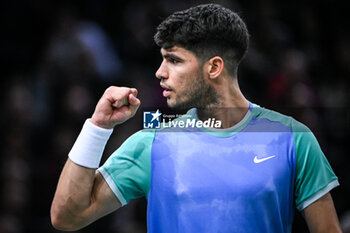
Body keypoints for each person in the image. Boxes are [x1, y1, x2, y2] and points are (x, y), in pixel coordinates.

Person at [50, 4, 342, 233]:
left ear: (214, 67)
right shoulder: (152, 142)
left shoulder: (294, 139)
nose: (160, 73)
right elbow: (67, 215)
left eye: (174, 60)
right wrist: (97, 128)